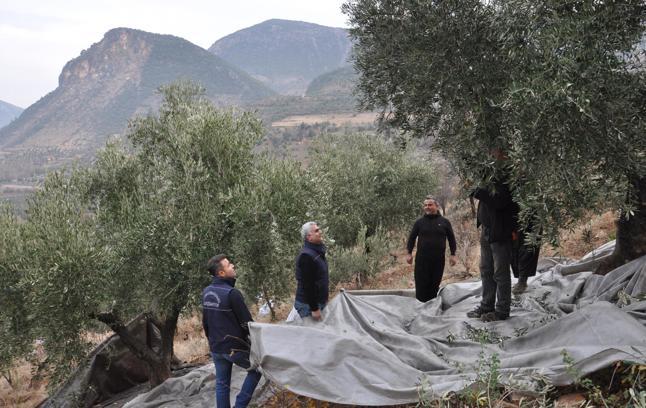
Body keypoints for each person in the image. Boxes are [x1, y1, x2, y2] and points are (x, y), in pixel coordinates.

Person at [202, 254, 261, 408]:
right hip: (233, 348)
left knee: (222, 385)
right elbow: (247, 324)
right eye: (229, 265)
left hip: (216, 348)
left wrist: (212, 343)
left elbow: (205, 322)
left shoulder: (207, 292)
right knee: (257, 370)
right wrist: (257, 344)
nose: (233, 266)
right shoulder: (232, 293)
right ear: (221, 273)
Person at [467, 166, 516, 322]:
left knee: (500, 272)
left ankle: (502, 311)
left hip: (500, 232)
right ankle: (486, 305)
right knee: (486, 269)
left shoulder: (507, 176)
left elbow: (500, 201)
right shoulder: (489, 175)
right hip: (487, 230)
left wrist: (477, 191)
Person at [406, 197, 457, 302]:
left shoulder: (444, 222)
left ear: (436, 206)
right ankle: (421, 308)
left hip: (438, 260)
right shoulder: (419, 222)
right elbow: (411, 238)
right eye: (425, 205)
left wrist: (453, 254)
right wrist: (409, 253)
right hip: (422, 260)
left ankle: (432, 309)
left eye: (430, 205)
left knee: (434, 285)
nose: (427, 207)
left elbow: (451, 238)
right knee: (421, 285)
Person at [294, 221, 329, 320]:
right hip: (307, 306)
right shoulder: (306, 256)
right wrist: (314, 309)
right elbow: (307, 285)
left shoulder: (317, 252)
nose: (320, 232)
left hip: (318, 303)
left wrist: (324, 299)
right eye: (317, 231)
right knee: (313, 334)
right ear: (309, 237)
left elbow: (321, 278)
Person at [511, 220, 542, 295]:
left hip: (531, 221)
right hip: (516, 220)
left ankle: (522, 281)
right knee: (515, 250)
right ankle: (521, 280)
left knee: (527, 251)